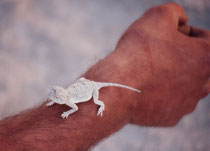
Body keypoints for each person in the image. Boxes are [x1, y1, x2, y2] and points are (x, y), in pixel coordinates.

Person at [0, 2, 209, 151]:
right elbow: (65, 104)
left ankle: (100, 104)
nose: (55, 98)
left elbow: (73, 108)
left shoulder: (71, 103)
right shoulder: (65, 100)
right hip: (80, 88)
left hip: (89, 89)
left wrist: (100, 105)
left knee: (96, 100)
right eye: (56, 97)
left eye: (57, 97)